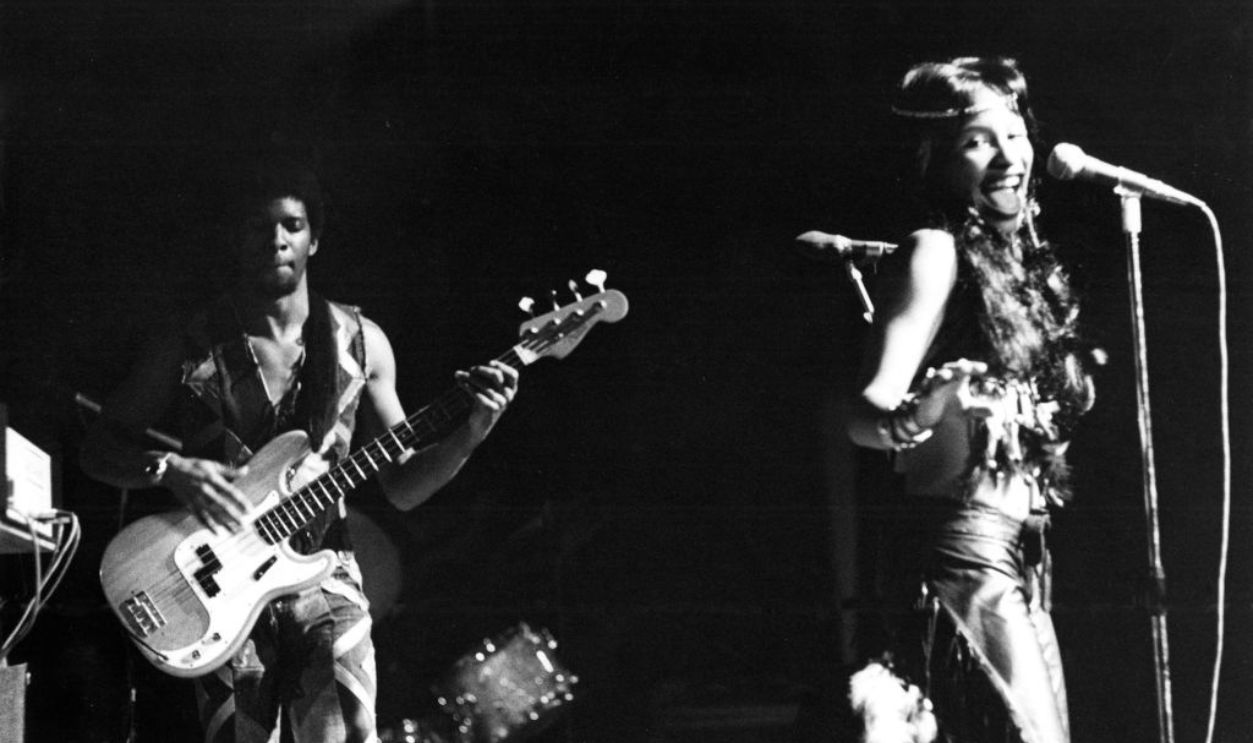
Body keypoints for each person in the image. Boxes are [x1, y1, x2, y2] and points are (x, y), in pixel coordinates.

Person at [80, 157, 519, 742]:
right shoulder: (187, 340)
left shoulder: (362, 345)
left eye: (291, 224)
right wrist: (167, 468)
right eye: (258, 226)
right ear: (236, 239)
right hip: (217, 586)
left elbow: (404, 487)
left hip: (327, 576)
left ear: (315, 239)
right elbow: (98, 449)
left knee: (349, 730)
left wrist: (472, 430)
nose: (276, 239)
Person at [843, 58, 1098, 743]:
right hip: (959, 554)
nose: (1008, 156)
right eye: (976, 141)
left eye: (1014, 134)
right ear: (931, 158)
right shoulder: (934, 251)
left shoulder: (1025, 274)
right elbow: (863, 414)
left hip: (1019, 558)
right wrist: (921, 409)